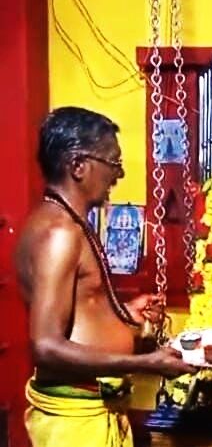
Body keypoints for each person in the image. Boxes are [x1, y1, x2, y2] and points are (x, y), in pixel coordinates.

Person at [15, 107, 197, 447]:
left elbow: (75, 313)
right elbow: (45, 346)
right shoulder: (59, 233)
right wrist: (144, 363)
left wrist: (124, 313)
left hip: (92, 410)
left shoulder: (62, 221)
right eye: (113, 162)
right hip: (76, 422)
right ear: (78, 166)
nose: (119, 173)